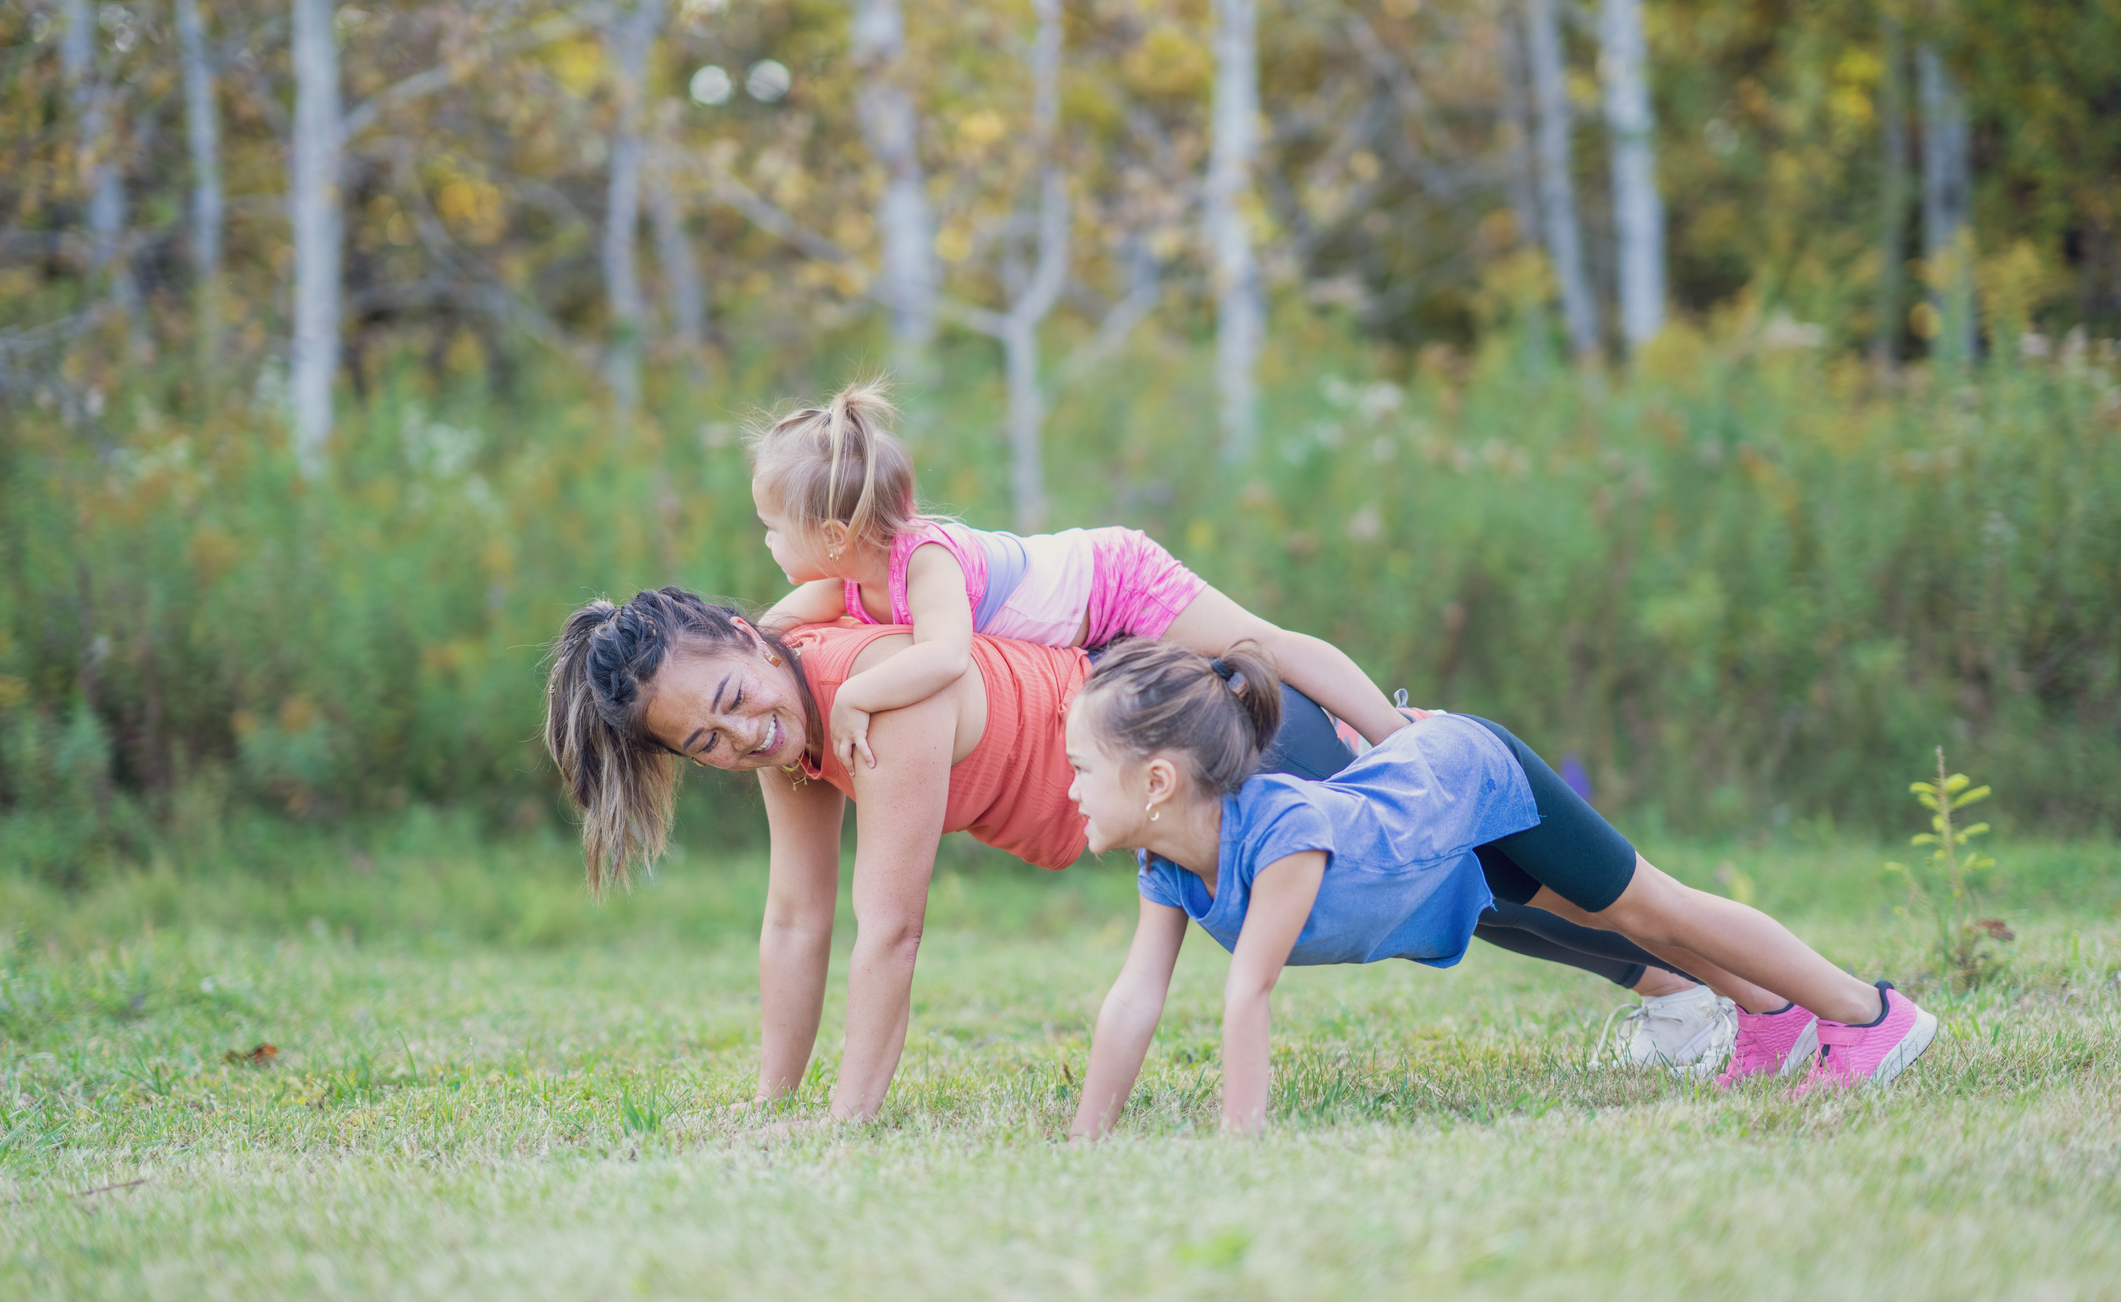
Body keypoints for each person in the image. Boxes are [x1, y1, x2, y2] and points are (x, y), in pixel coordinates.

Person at [543, 588, 1711, 1124]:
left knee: (1477, 877)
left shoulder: (871, 701)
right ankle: (1685, 986)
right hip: (1149, 787)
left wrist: (848, 1127)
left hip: (1190, 744)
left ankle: (1690, 983)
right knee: (1472, 888)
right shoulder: (794, 729)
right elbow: (796, 922)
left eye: (736, 699)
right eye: (707, 741)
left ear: (752, 636)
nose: (745, 735)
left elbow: (887, 925)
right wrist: (773, 1107)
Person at [1062, 638, 1940, 1140]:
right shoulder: (1169, 862)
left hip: (1472, 780)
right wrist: (1085, 1144)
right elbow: (1134, 997)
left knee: (1650, 907)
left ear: (1158, 783)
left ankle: (1869, 1018)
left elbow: (1248, 992)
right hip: (1443, 851)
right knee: (1613, 920)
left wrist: (1237, 1149)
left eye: (1080, 769)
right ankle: (1770, 1016)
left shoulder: (1282, 835)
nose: (1066, 788)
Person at [746, 380, 1414, 771]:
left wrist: (855, 696)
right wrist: (747, 640)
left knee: (1256, 646)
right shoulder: (848, 579)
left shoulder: (925, 561)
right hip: (1091, 629)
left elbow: (945, 657)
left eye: (772, 527)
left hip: (1115, 581)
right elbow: (781, 621)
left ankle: (1395, 733)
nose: (768, 541)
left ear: (833, 538)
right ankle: (1348, 736)